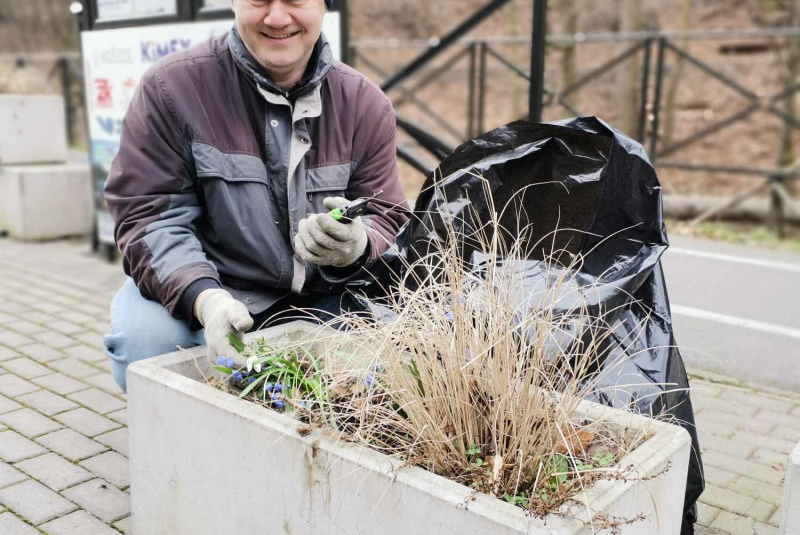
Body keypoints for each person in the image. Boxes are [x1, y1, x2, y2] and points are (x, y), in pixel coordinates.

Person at [102, 0, 409, 392]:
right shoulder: (171, 89)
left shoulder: (364, 104)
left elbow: (386, 214)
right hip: (211, 286)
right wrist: (205, 300)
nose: (277, 17)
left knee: (397, 353)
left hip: (320, 296)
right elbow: (149, 219)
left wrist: (357, 245)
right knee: (145, 344)